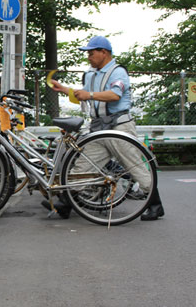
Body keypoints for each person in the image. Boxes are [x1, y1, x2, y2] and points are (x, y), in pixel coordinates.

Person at [42, 35, 165, 221]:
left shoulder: (118, 72)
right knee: (83, 166)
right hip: (98, 129)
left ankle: (155, 205)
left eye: (92, 53)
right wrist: (65, 89)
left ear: (104, 53)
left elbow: (114, 95)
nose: (89, 57)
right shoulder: (91, 73)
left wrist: (89, 94)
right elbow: (83, 95)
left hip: (119, 128)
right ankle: (65, 204)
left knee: (134, 166)